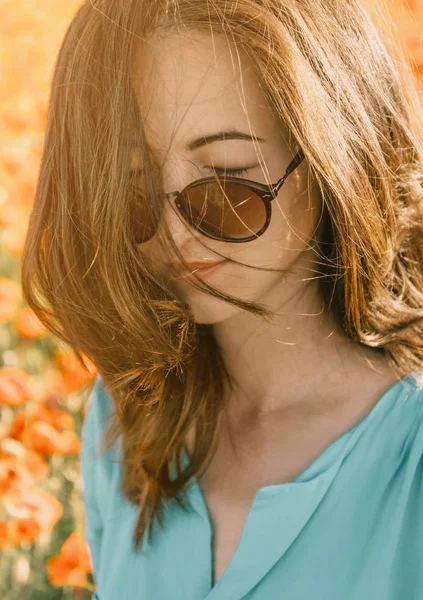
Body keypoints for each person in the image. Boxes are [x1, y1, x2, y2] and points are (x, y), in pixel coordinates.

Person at [21, 0, 423, 598]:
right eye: (131, 191)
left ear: (335, 153)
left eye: (227, 180)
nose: (176, 233)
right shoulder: (126, 411)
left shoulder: (409, 453)